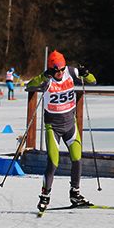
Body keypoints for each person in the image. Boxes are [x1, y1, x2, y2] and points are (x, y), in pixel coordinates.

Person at [25, 50, 97, 212]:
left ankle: (75, 194)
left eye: (62, 69)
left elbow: (93, 82)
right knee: (53, 163)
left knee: (77, 158)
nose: (60, 73)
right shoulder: (47, 80)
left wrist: (86, 73)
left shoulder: (71, 72)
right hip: (53, 127)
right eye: (56, 70)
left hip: (70, 125)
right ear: (51, 69)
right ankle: (45, 196)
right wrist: (44, 75)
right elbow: (29, 86)